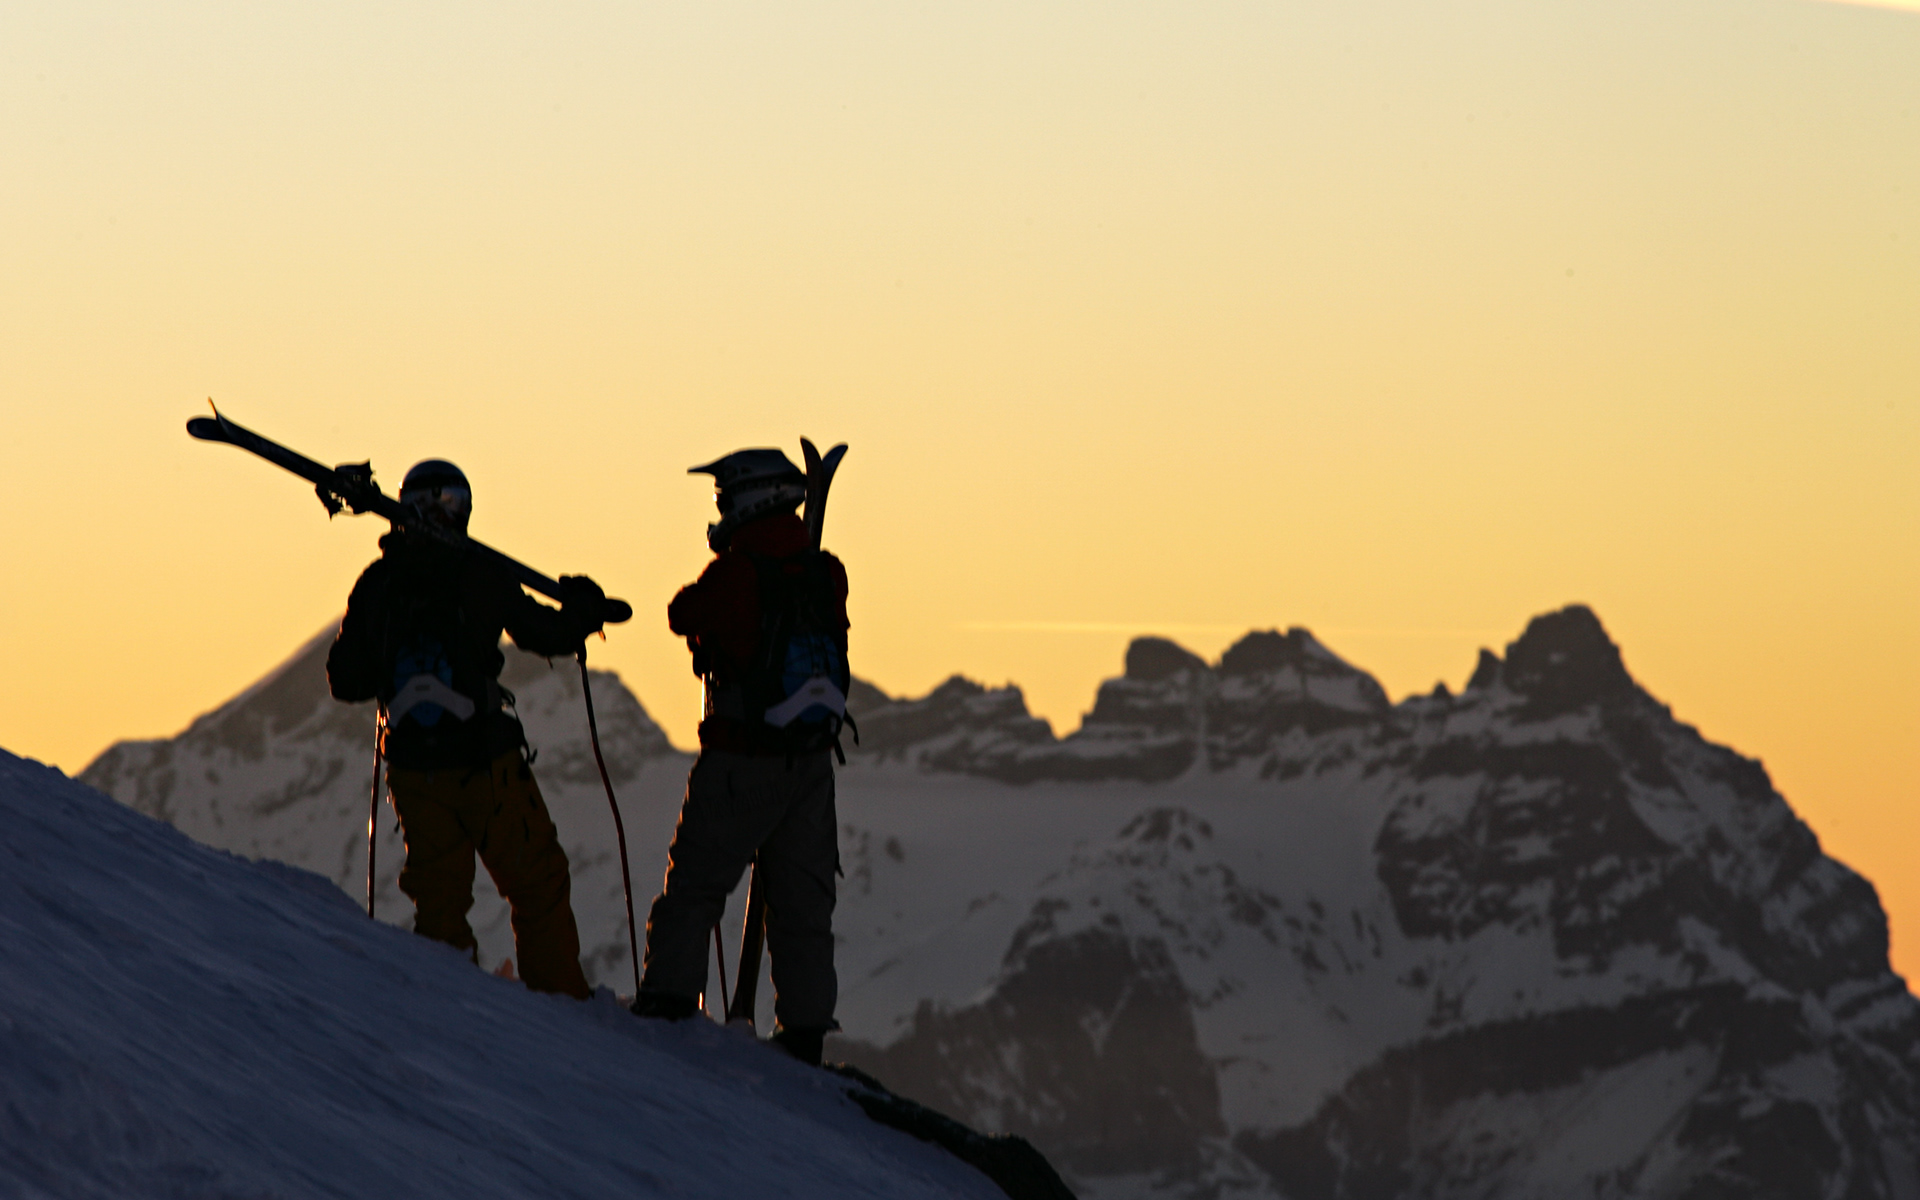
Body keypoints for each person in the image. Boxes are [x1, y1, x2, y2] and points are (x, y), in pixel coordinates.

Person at [326, 458, 606, 999]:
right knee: (537, 884)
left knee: (439, 899)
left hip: (413, 770)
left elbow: (345, 679)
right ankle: (561, 1005)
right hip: (486, 763)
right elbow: (546, 634)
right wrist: (583, 611)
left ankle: (451, 1012)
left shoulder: (379, 583)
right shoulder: (481, 572)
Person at [631, 448, 850, 1066]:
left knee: (696, 888)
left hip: (741, 761)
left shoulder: (735, 575)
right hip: (810, 763)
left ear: (748, 500)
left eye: (725, 497)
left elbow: (682, 615)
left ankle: (669, 1002)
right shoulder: (825, 571)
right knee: (803, 902)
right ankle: (804, 1030)